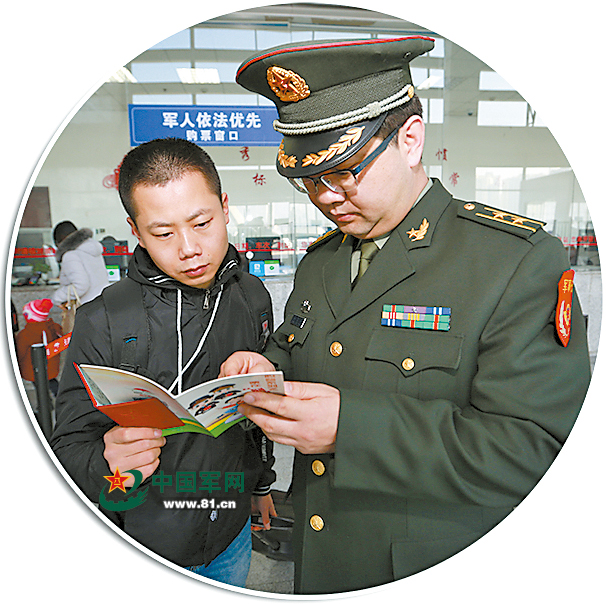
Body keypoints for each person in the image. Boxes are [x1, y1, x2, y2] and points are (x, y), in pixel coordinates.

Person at [220, 36, 592, 593]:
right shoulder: (322, 262)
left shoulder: (511, 261)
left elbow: (538, 449)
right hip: (321, 562)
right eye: (309, 180)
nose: (327, 196)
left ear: (410, 140)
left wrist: (352, 428)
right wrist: (262, 368)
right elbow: (299, 353)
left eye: (345, 169)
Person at [50, 138, 276, 587]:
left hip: (231, 533)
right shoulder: (104, 319)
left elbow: (255, 417)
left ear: (224, 208)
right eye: (163, 233)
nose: (190, 248)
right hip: (144, 540)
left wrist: (261, 486)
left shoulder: (252, 297)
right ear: (136, 230)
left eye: (202, 223)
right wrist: (106, 460)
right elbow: (67, 446)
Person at [51, 220, 110, 306]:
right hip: (104, 302)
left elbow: (81, 285)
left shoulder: (70, 255)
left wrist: (57, 297)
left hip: (88, 307)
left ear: (59, 241)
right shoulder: (91, 249)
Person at [15, 298, 63, 395]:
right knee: (52, 384)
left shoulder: (25, 334)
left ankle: (46, 402)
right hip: (50, 366)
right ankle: (60, 398)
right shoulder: (52, 327)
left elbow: (20, 352)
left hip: (33, 368)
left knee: (40, 389)